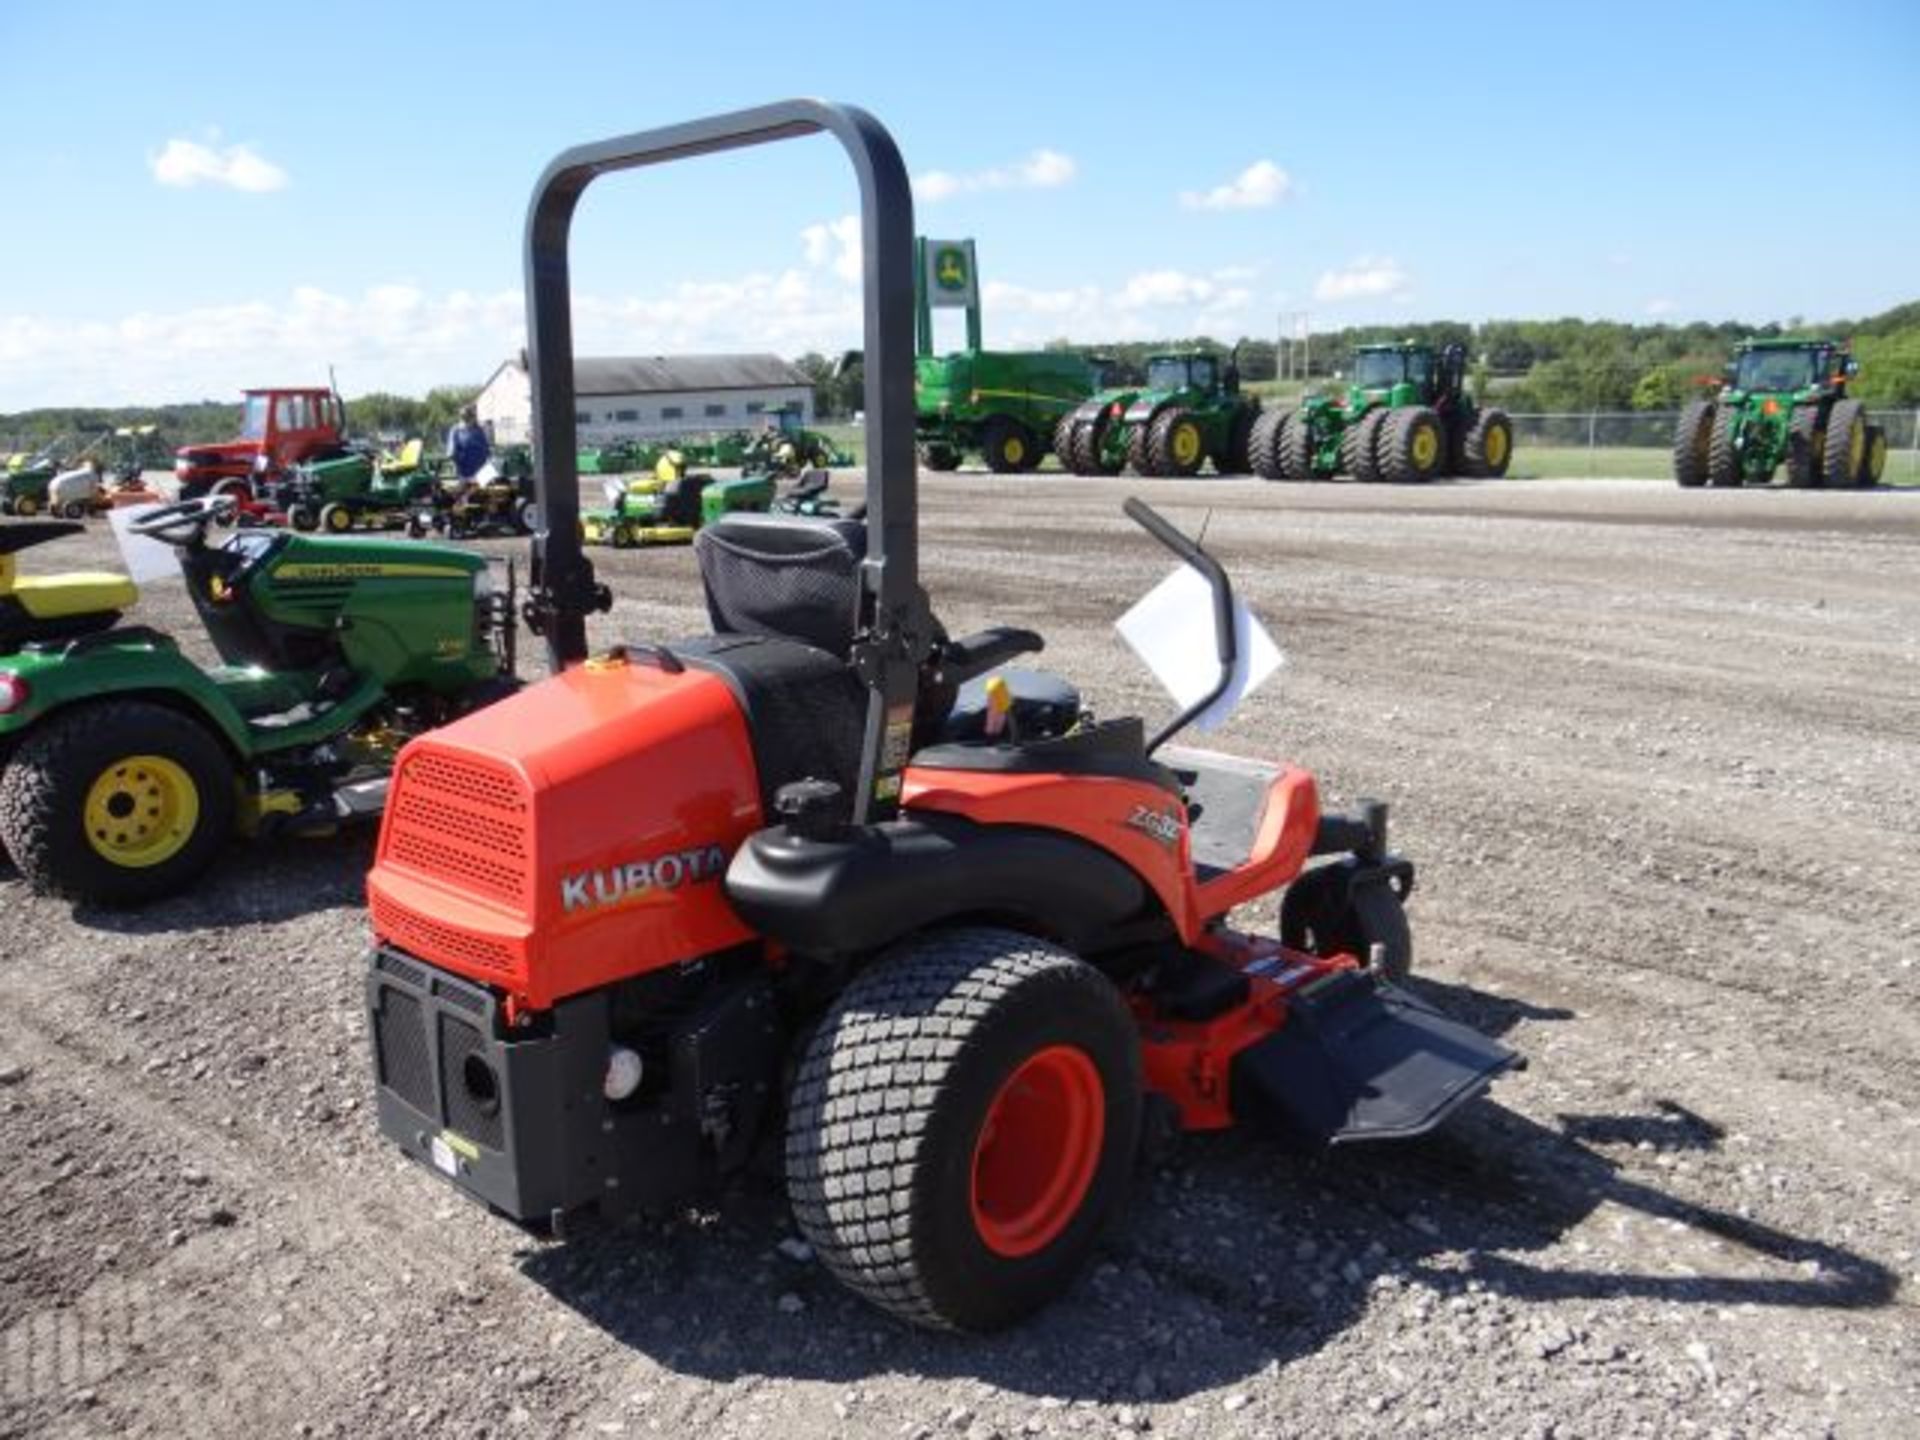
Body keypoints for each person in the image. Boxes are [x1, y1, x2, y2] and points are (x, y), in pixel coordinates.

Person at [446, 405, 491, 487]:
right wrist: (455, 463)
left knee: (481, 496)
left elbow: (486, 450)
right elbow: (451, 452)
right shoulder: (456, 430)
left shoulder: (479, 430)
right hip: (463, 473)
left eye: (470, 416)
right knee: (465, 494)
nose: (468, 419)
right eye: (464, 417)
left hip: (480, 473)